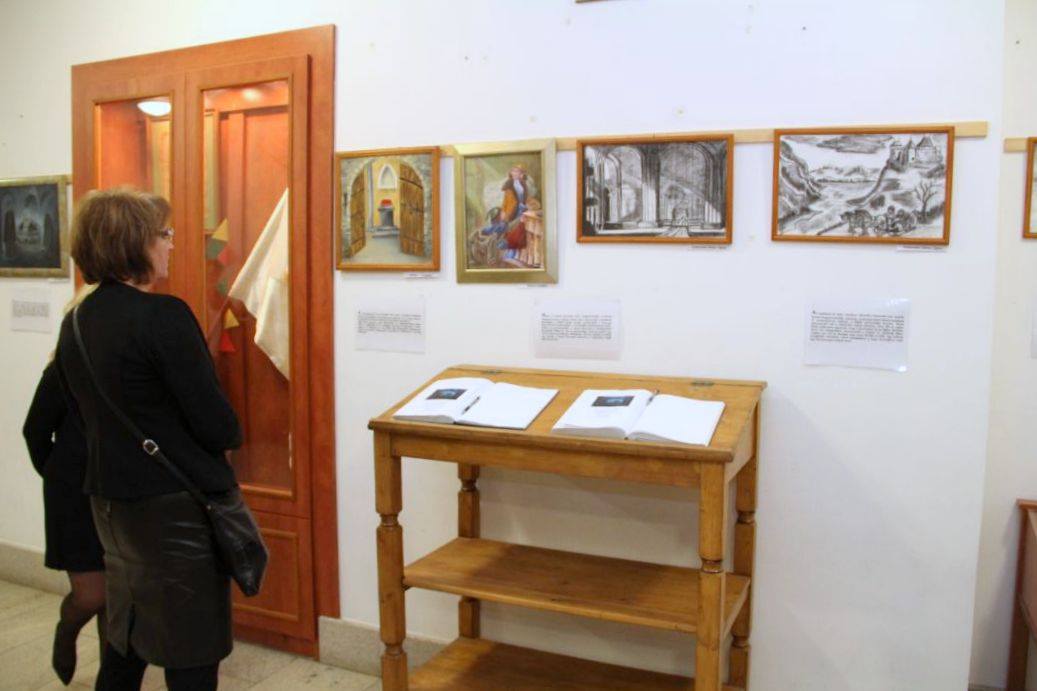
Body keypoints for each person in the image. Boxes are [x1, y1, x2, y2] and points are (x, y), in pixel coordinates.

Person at [55, 188, 242, 691]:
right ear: (133, 242)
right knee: (191, 655)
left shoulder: (76, 321)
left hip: (111, 506)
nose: (172, 244)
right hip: (173, 512)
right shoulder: (164, 316)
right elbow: (219, 426)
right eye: (164, 234)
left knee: (126, 643)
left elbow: (80, 418)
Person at [23, 286, 105, 686]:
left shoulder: (131, 368)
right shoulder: (62, 371)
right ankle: (67, 628)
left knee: (120, 599)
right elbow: (35, 431)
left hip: (121, 493)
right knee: (92, 595)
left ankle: (113, 675)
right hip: (73, 494)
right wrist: (60, 478)